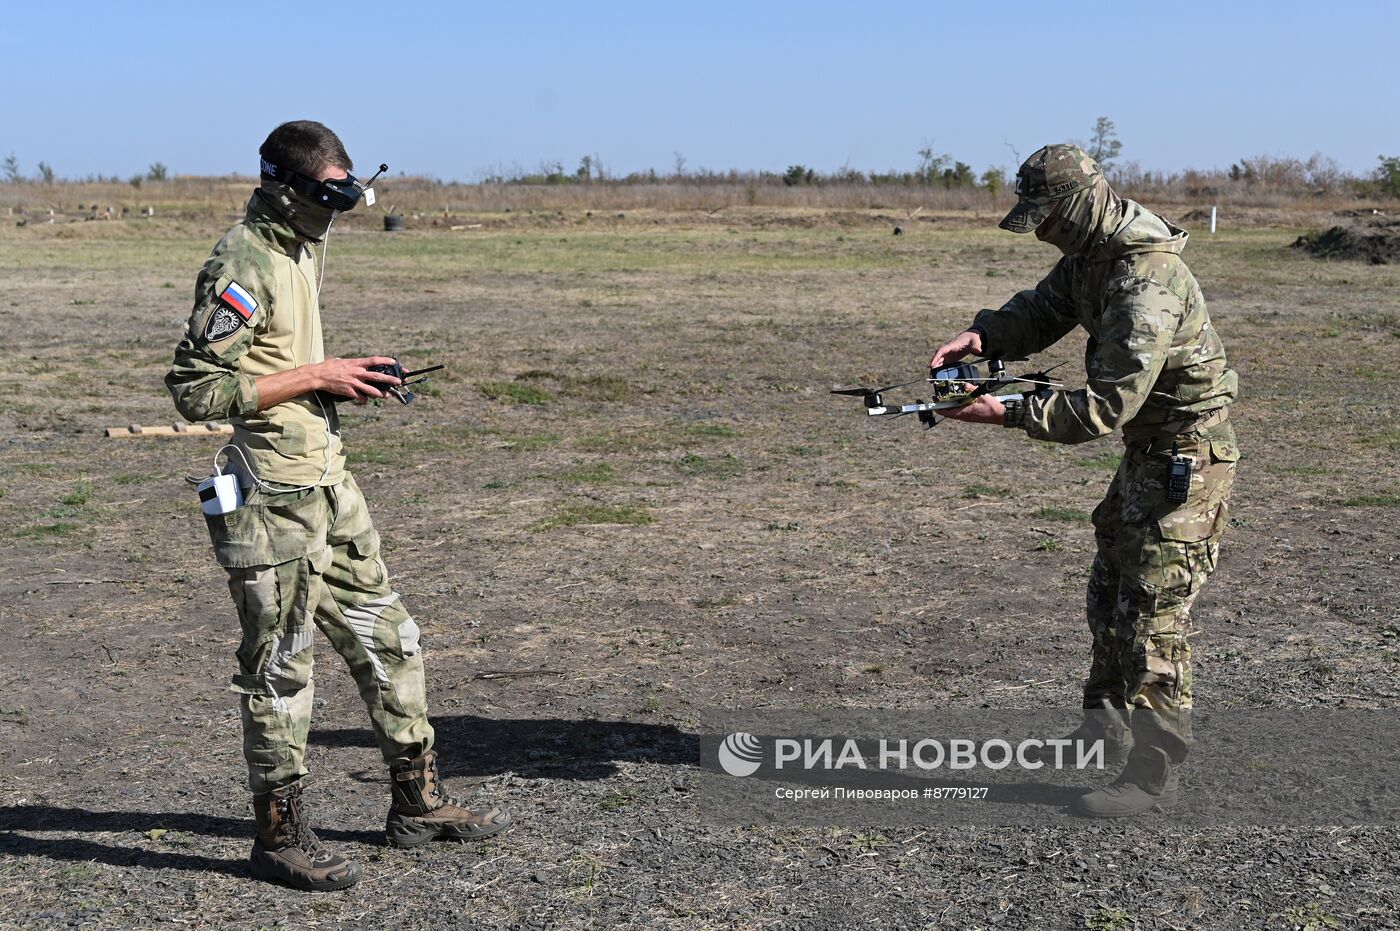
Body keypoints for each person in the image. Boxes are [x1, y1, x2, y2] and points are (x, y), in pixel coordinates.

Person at [166, 121, 511, 890]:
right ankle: (280, 834)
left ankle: (417, 800)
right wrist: (317, 375)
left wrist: (344, 370)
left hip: (329, 480)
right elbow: (194, 389)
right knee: (282, 667)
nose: (340, 210)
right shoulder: (243, 260)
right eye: (329, 195)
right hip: (272, 497)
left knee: (391, 636)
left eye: (350, 193)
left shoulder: (303, 242)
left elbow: (288, 355)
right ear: (287, 189)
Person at [927, 144, 1239, 818]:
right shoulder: (1091, 257)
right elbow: (1044, 309)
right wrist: (984, 338)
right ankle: (1099, 738)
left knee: (1153, 615)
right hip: (1148, 453)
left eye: (1048, 218)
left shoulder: (1146, 282)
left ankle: (1152, 777)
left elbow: (1103, 407)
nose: (1042, 232)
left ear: (1080, 205)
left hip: (1186, 459)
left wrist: (1003, 410)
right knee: (1109, 598)